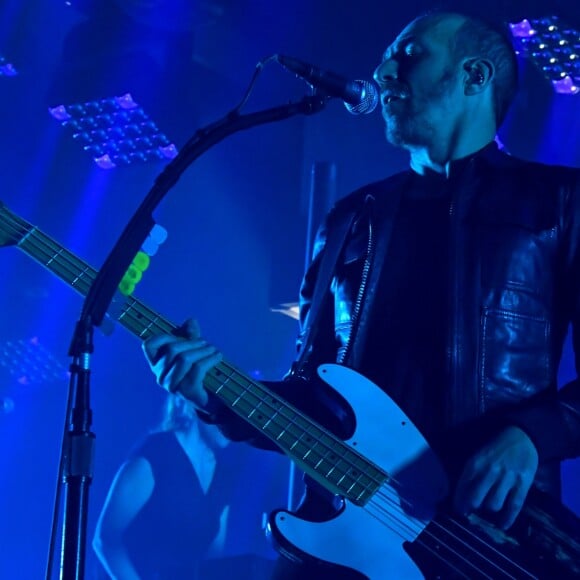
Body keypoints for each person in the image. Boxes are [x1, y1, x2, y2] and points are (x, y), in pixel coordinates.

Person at [141, 9, 580, 578]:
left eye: (410, 53)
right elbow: (313, 396)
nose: (383, 67)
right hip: (350, 544)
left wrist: (531, 435)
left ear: (475, 76)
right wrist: (215, 394)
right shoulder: (351, 220)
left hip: (495, 543)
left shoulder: (559, 203)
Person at [92, 394, 277, 579]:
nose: (235, 423)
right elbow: (106, 539)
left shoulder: (224, 474)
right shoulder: (155, 454)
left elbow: (212, 557)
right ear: (195, 407)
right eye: (226, 413)